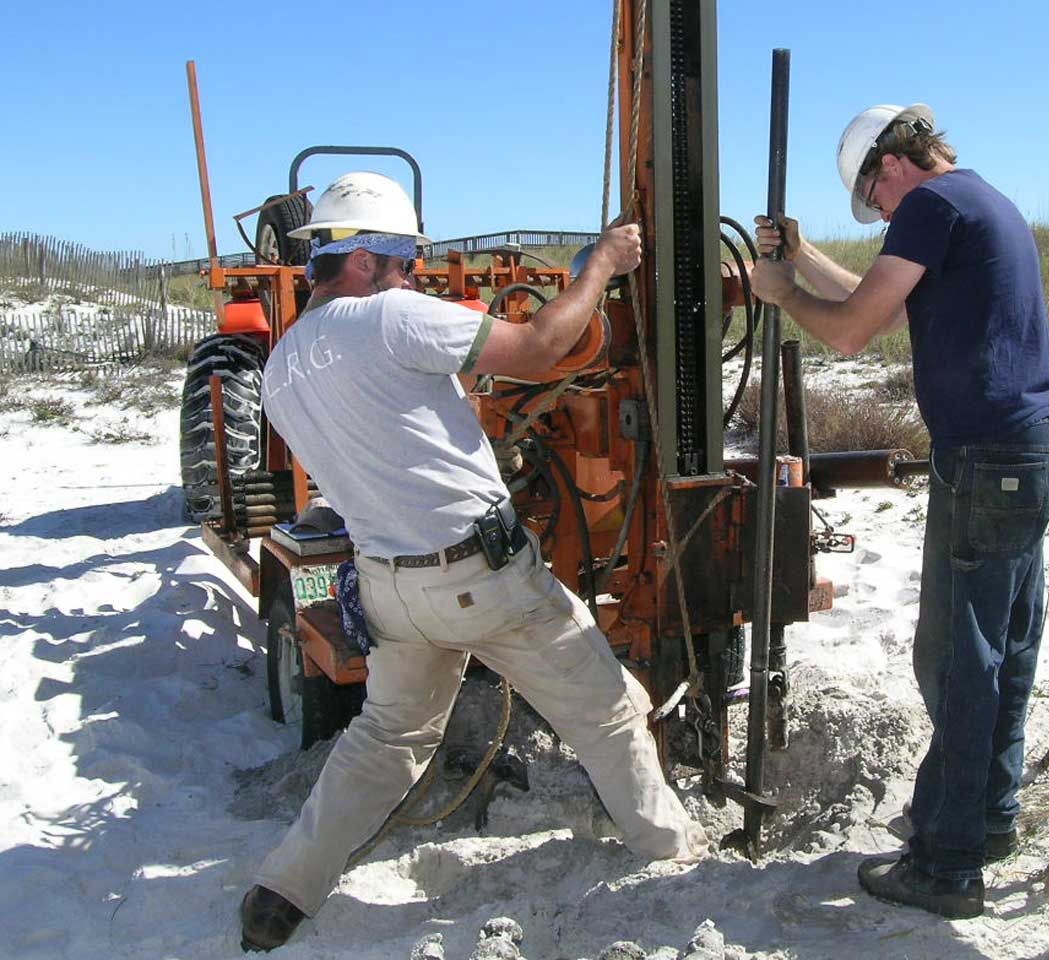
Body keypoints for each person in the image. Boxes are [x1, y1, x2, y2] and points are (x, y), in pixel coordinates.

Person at [239, 172, 707, 952]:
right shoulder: (387, 318)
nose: (412, 272)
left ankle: (281, 890)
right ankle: (674, 857)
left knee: (387, 741)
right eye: (400, 258)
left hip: (391, 587)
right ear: (359, 259)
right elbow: (542, 348)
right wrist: (599, 265)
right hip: (484, 577)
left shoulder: (283, 366)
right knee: (607, 711)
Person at [751, 104, 1049, 919]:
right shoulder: (974, 200)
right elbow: (883, 303)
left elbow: (853, 333)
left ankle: (946, 863)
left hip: (986, 462)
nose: (884, 216)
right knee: (1003, 649)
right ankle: (986, 818)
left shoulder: (929, 207)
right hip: (1028, 453)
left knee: (956, 661)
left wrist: (782, 291)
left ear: (889, 169)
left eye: (876, 203)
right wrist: (804, 254)